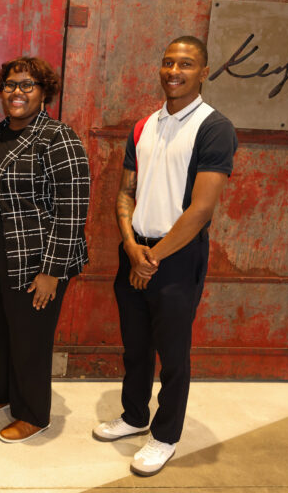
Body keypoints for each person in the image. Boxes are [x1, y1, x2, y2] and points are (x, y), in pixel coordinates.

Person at [92, 36, 237, 476]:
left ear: (204, 72)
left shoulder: (214, 127)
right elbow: (125, 192)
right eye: (168, 62)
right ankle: (134, 416)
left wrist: (151, 259)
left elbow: (201, 210)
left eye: (186, 64)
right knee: (136, 346)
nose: (175, 70)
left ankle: (165, 436)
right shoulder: (143, 126)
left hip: (176, 257)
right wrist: (131, 247)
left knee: (173, 355)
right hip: (135, 249)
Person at [0, 57, 90, 443]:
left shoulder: (58, 138)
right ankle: (0, 393)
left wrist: (52, 271)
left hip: (33, 260)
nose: (17, 92)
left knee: (29, 340)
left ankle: (33, 413)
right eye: (11, 85)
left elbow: (72, 210)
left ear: (44, 92)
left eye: (27, 85)